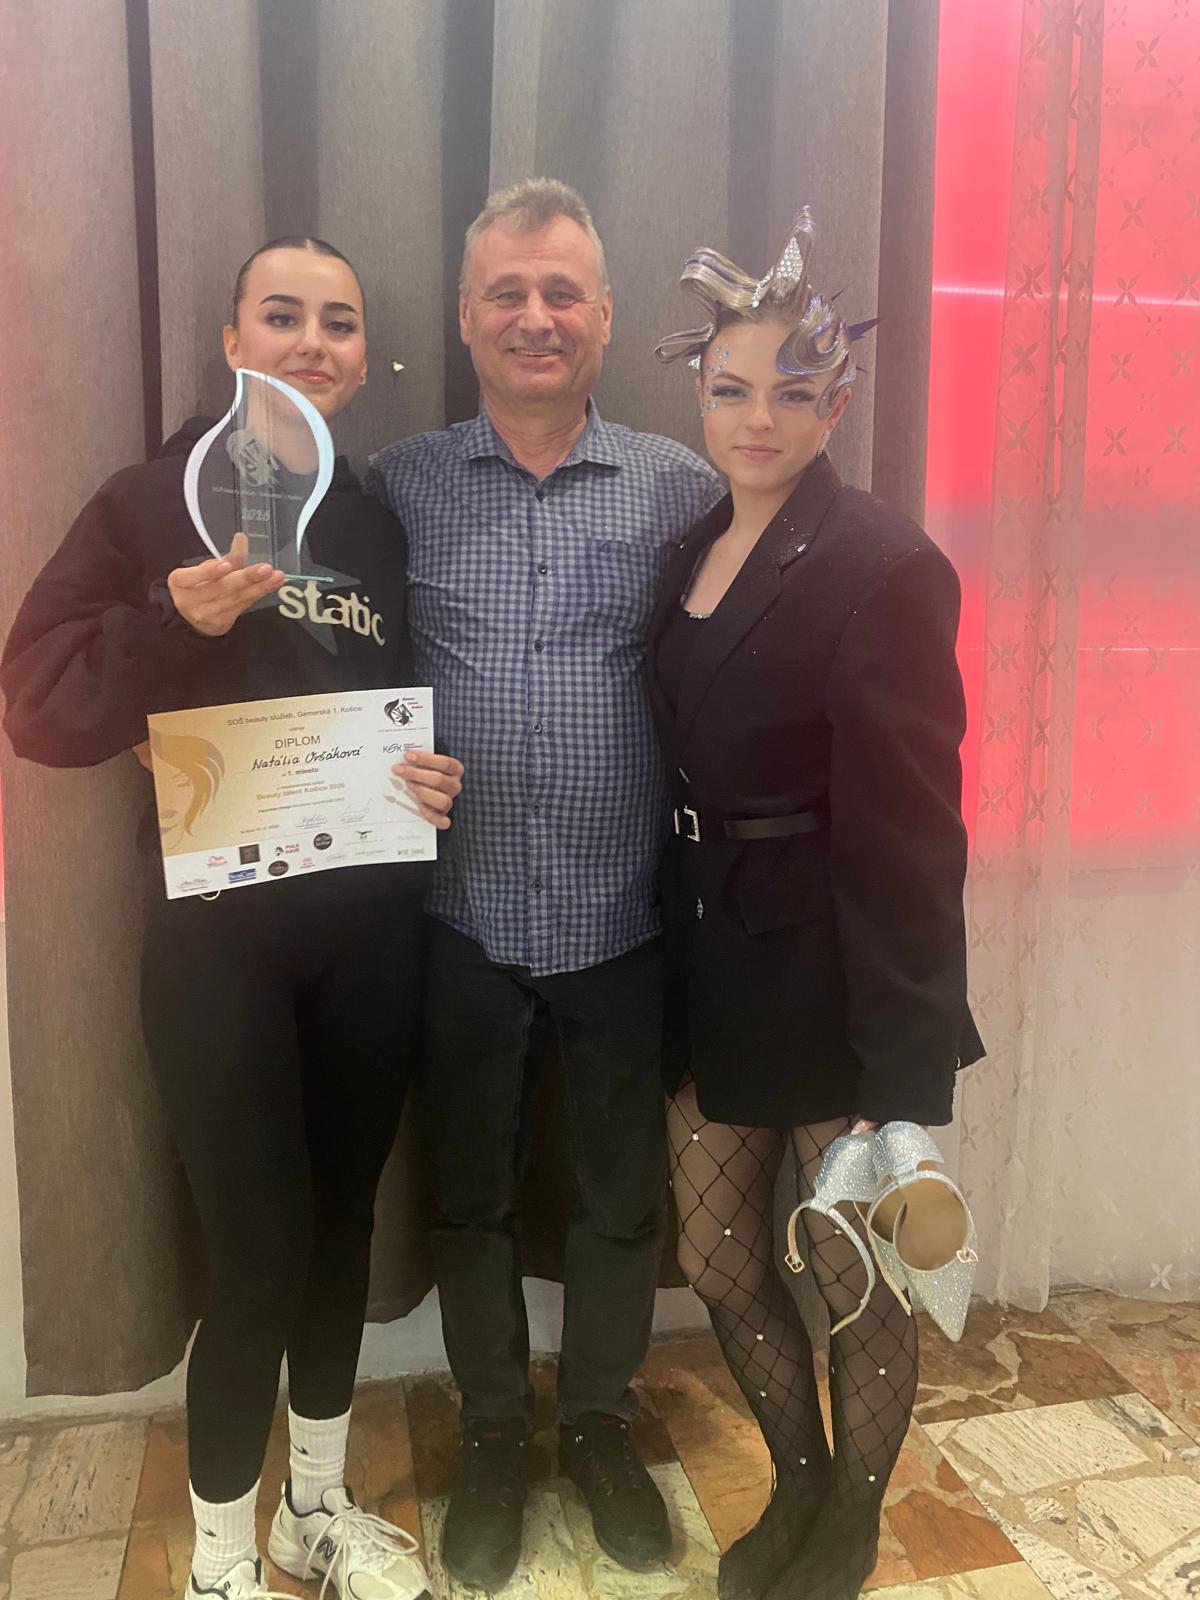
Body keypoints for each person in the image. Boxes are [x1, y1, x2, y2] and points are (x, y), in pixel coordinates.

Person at [1, 237, 463, 1600]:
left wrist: (430, 777)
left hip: (370, 932)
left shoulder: (376, 521)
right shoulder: (151, 503)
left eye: (340, 321)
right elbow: (35, 706)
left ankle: (316, 1509)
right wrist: (166, 621)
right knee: (256, 1251)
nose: (313, 341)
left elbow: (401, 705)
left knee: (339, 1231)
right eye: (283, 315)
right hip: (218, 948)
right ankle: (219, 1564)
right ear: (232, 339)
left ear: (364, 357)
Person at [367, 178, 723, 1588]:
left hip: (621, 918)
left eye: (561, 292)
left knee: (622, 1197)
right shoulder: (395, 486)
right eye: (508, 293)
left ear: (606, 318)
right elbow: (325, 657)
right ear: (465, 317)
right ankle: (495, 1433)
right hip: (455, 916)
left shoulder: (681, 488)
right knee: (469, 1197)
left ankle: (597, 1424)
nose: (535, 317)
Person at [647, 209, 984, 1600]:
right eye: (732, 389)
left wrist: (899, 1083)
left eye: (793, 393)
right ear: (699, 391)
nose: (758, 418)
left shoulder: (883, 563)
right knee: (718, 1253)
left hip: (828, 972)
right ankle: (796, 1476)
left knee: (851, 1271)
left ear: (837, 403)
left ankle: (851, 1516)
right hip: (708, 956)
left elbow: (914, 839)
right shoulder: (692, 543)